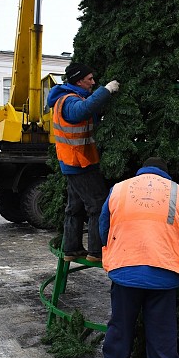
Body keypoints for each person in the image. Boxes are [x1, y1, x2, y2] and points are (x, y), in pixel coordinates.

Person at [98, 157, 179, 358]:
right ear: (165, 174)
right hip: (164, 272)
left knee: (120, 328)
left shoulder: (119, 189)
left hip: (125, 269)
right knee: (162, 334)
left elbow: (103, 227)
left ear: (141, 172)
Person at [47, 62, 120, 262]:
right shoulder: (68, 101)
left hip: (74, 162)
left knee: (75, 206)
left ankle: (72, 249)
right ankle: (96, 252)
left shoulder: (70, 97)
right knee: (97, 204)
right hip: (80, 162)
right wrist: (105, 90)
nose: (93, 82)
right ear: (78, 80)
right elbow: (82, 111)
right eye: (89, 79)